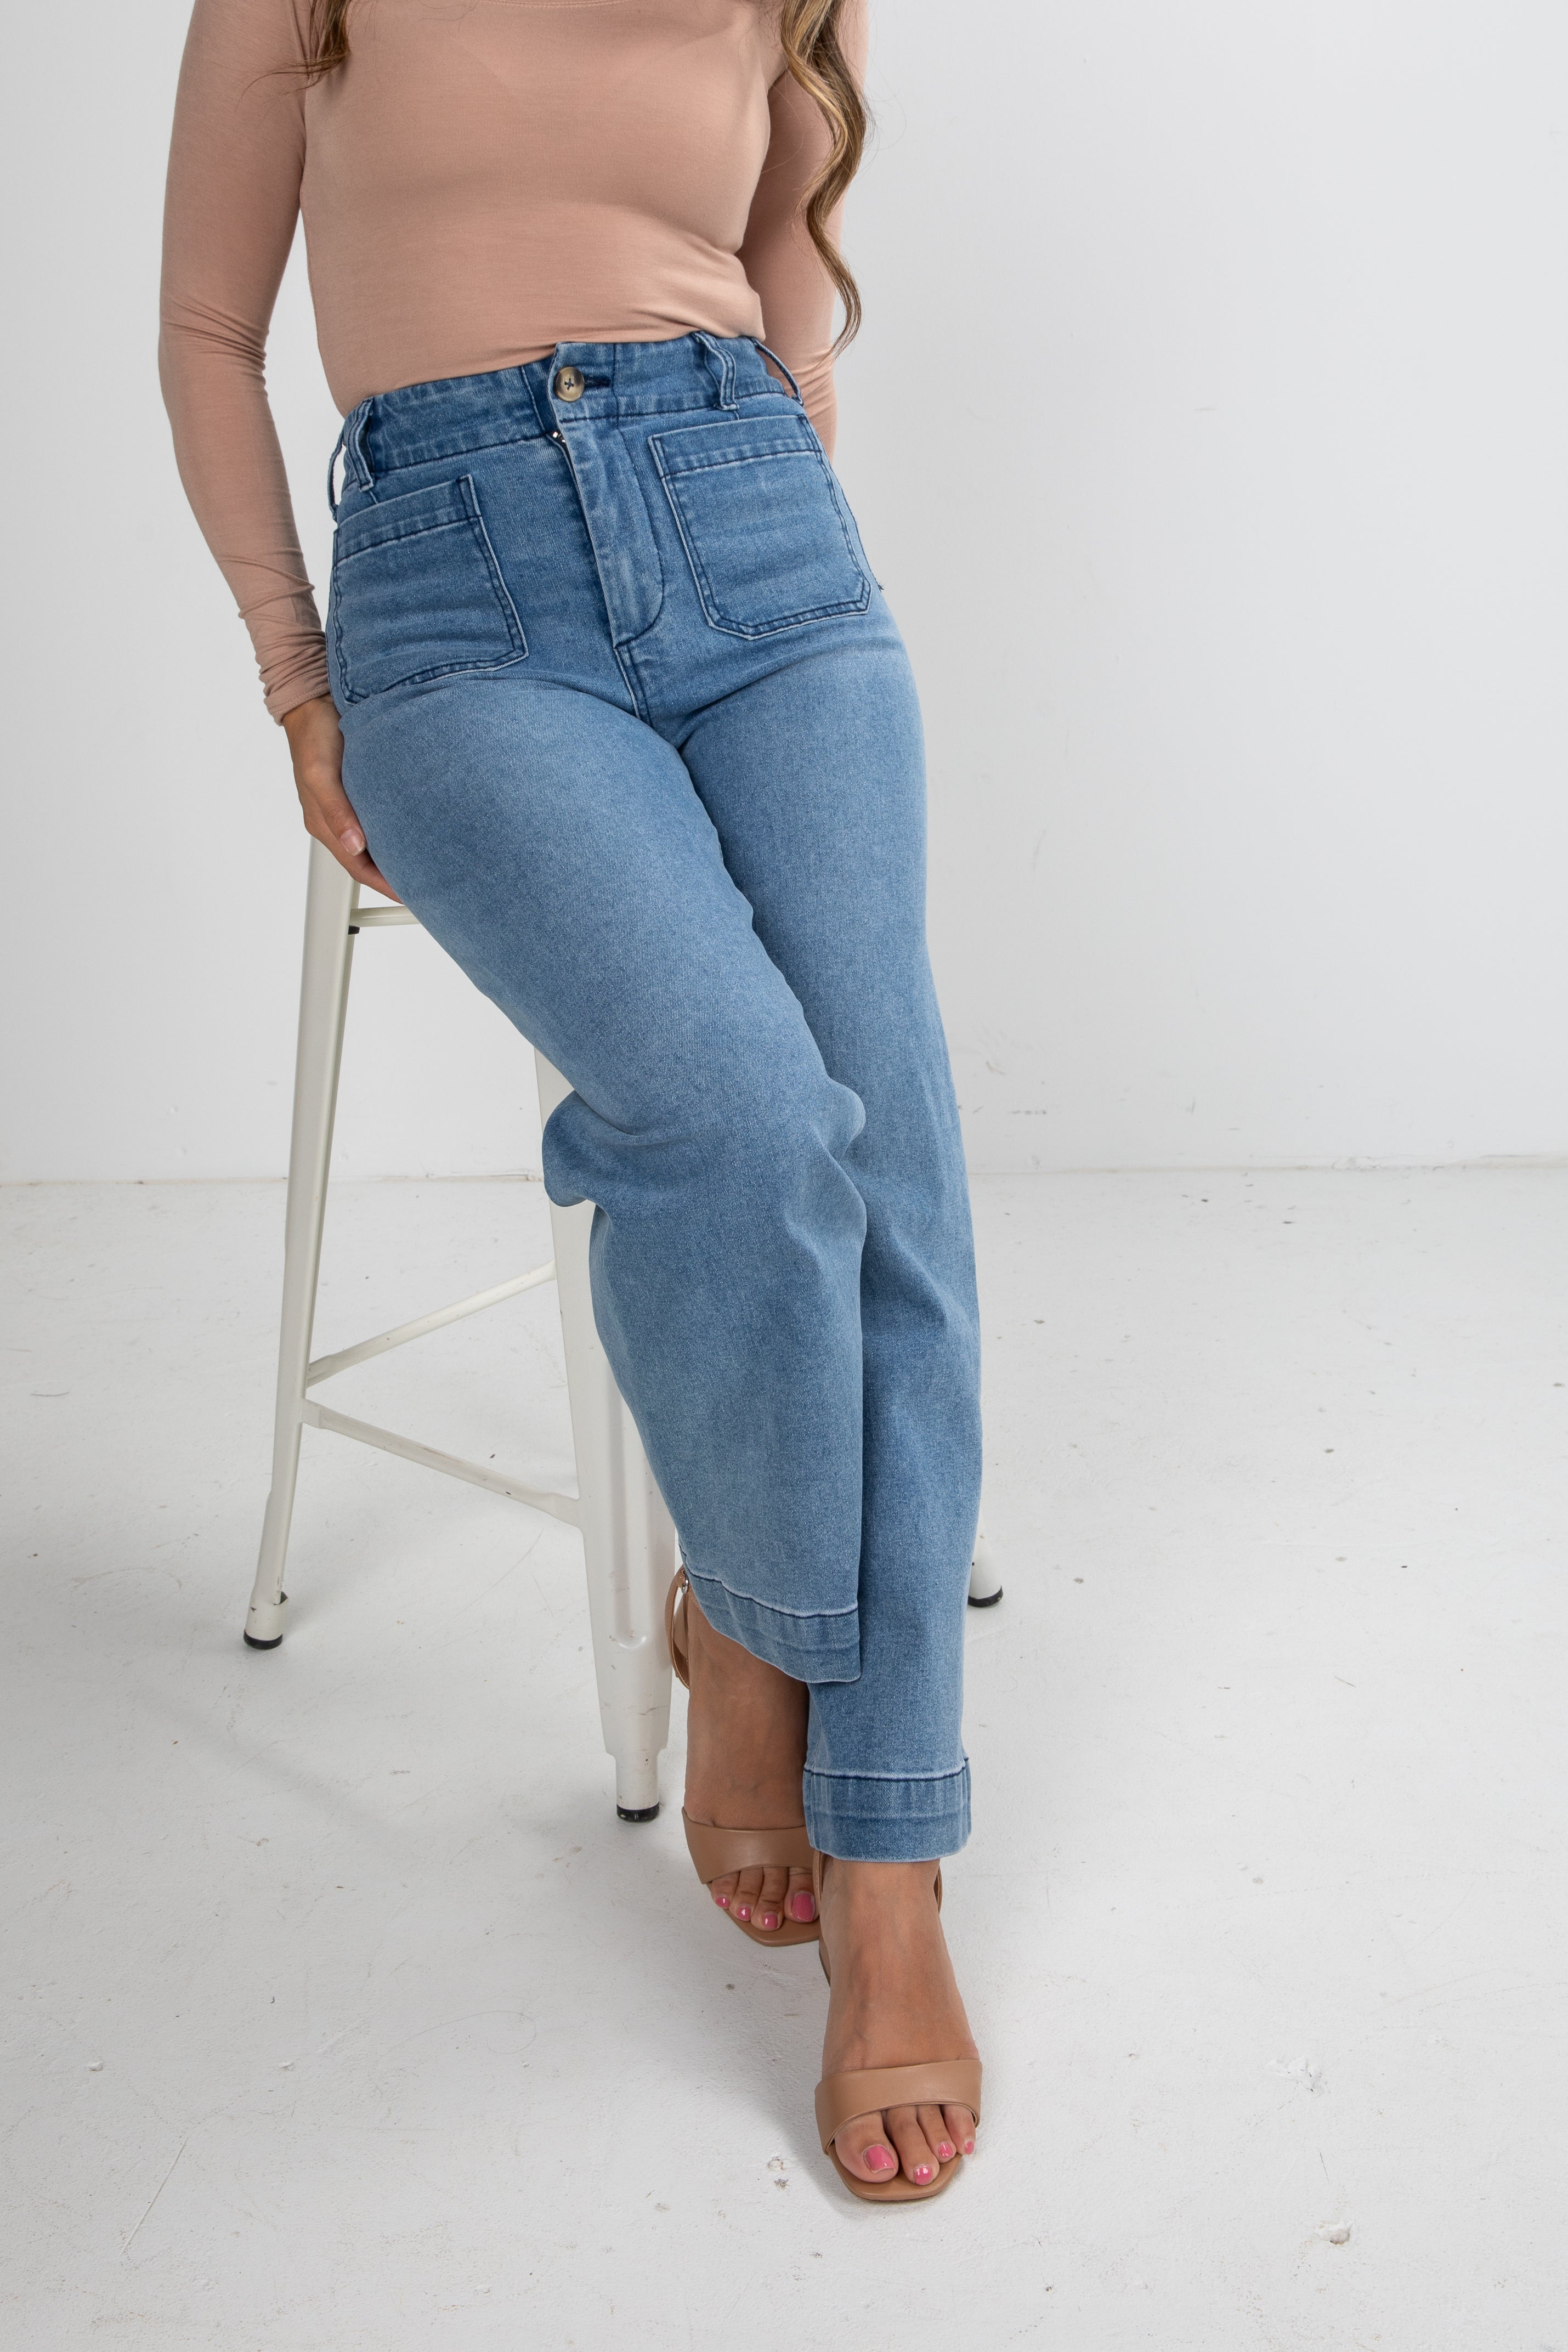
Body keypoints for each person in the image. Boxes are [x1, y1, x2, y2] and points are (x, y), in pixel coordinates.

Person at [161, 0, 983, 2203]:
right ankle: (748, 1610)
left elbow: (794, 330)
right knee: (739, 1111)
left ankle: (887, 1857)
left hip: (765, 546)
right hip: (453, 600)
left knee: (888, 1148)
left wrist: (796, 585)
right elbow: (207, 324)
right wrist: (291, 673)